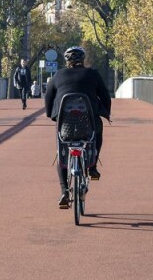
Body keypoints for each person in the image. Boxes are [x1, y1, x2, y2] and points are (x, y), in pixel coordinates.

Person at [44, 46, 111, 208]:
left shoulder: (58, 75)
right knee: (98, 131)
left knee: (61, 154)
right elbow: (105, 95)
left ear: (67, 61)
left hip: (65, 125)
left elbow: (48, 97)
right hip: (89, 123)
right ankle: (93, 166)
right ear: (83, 60)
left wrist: (50, 114)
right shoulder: (92, 74)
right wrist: (106, 112)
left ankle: (64, 192)